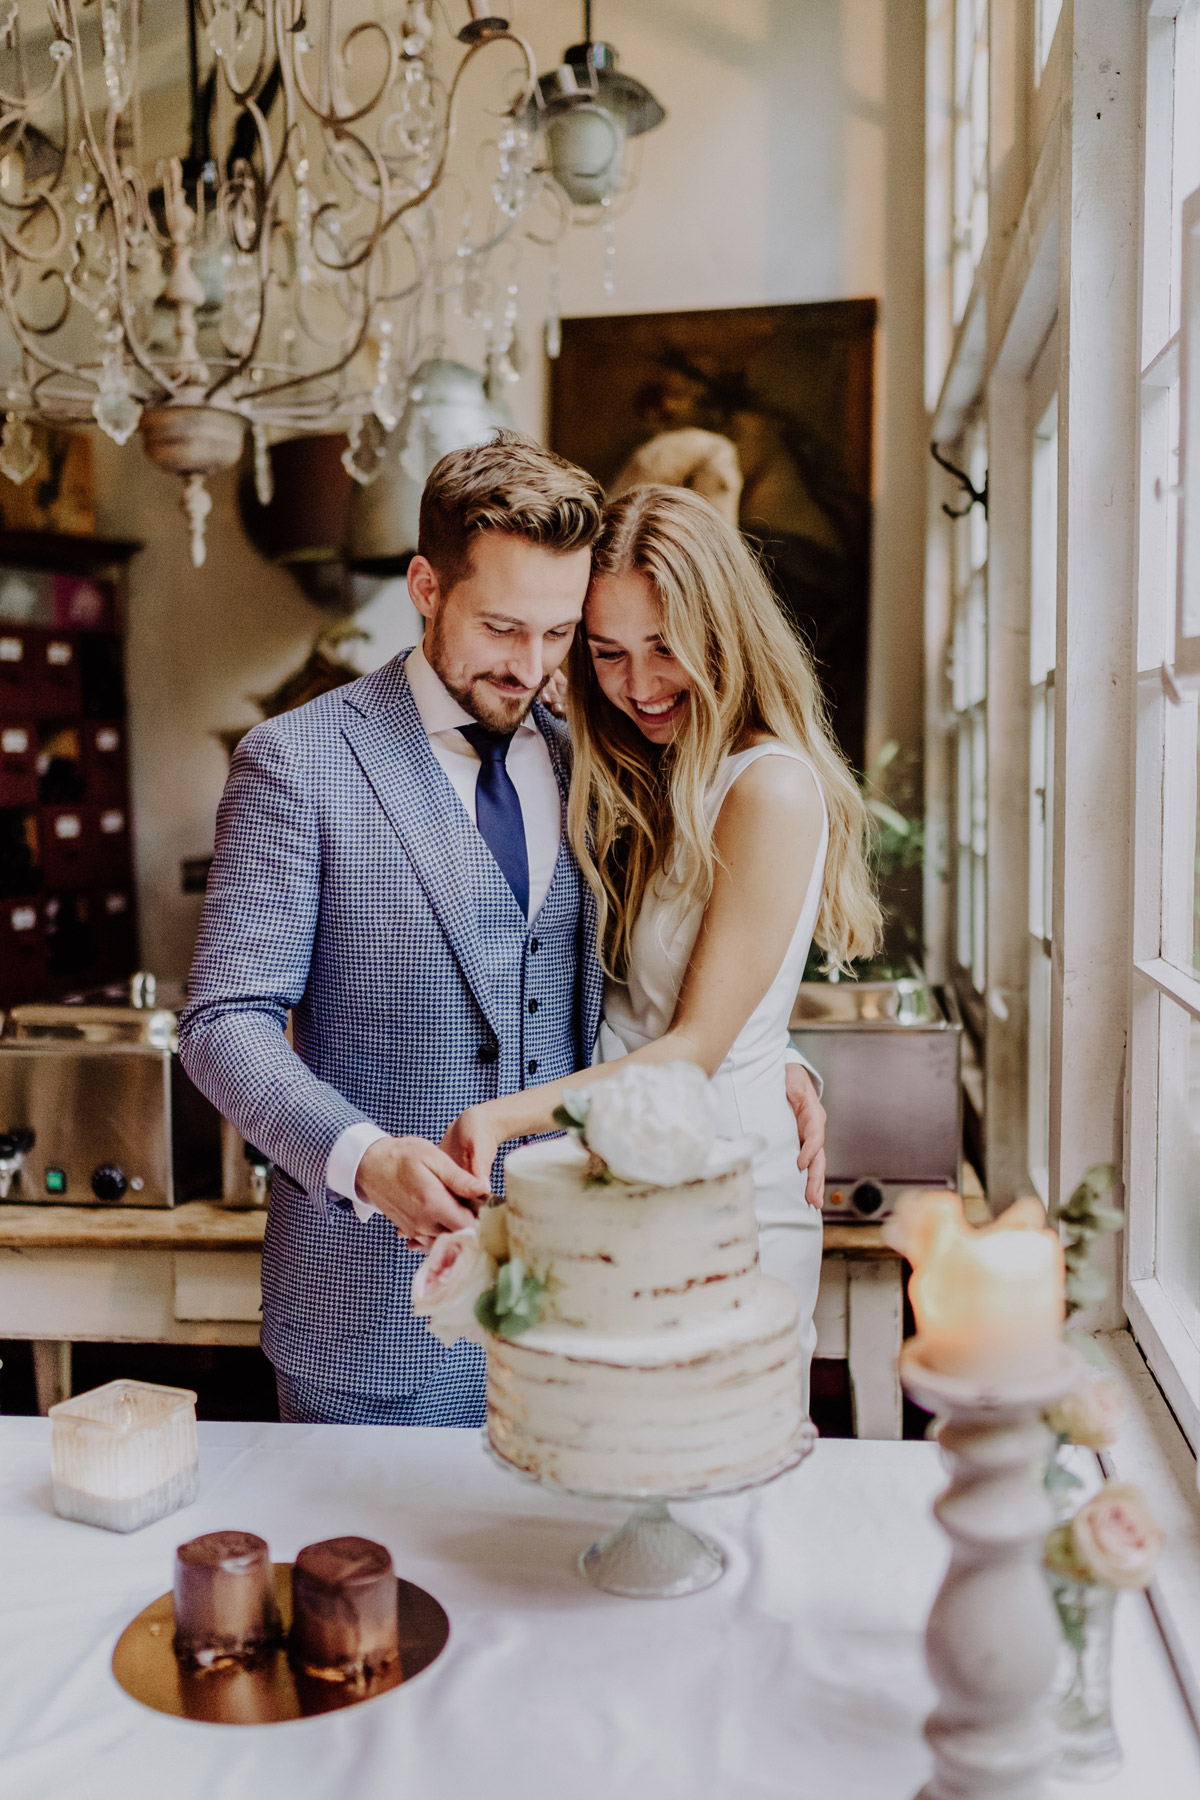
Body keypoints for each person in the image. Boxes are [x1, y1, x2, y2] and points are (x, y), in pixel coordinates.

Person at [178, 437, 828, 1428]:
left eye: (562, 634)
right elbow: (223, 1024)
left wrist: (777, 1061)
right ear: (426, 587)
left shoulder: (598, 756)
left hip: (576, 1308)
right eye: (502, 628)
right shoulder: (296, 762)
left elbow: (678, 967)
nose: (531, 667)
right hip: (373, 1320)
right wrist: (360, 1158)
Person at [442, 484, 880, 1397]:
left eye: (666, 649)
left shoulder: (769, 789)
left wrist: (501, 1118)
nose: (638, 686)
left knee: (716, 1489)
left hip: (724, 1195)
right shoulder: (656, 764)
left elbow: (690, 1050)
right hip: (625, 1179)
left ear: (725, 631)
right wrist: (781, 1052)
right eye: (606, 653)